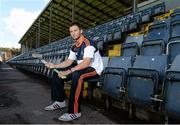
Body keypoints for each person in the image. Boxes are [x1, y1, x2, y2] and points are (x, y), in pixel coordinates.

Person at [44, 22, 103, 121]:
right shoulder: (74, 46)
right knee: (56, 72)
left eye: (75, 30)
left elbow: (86, 63)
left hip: (93, 69)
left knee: (77, 75)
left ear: (81, 31)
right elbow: (68, 61)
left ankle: (74, 112)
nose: (73, 33)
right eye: (71, 31)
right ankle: (59, 101)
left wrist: (68, 72)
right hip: (81, 68)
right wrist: (54, 65)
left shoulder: (88, 43)